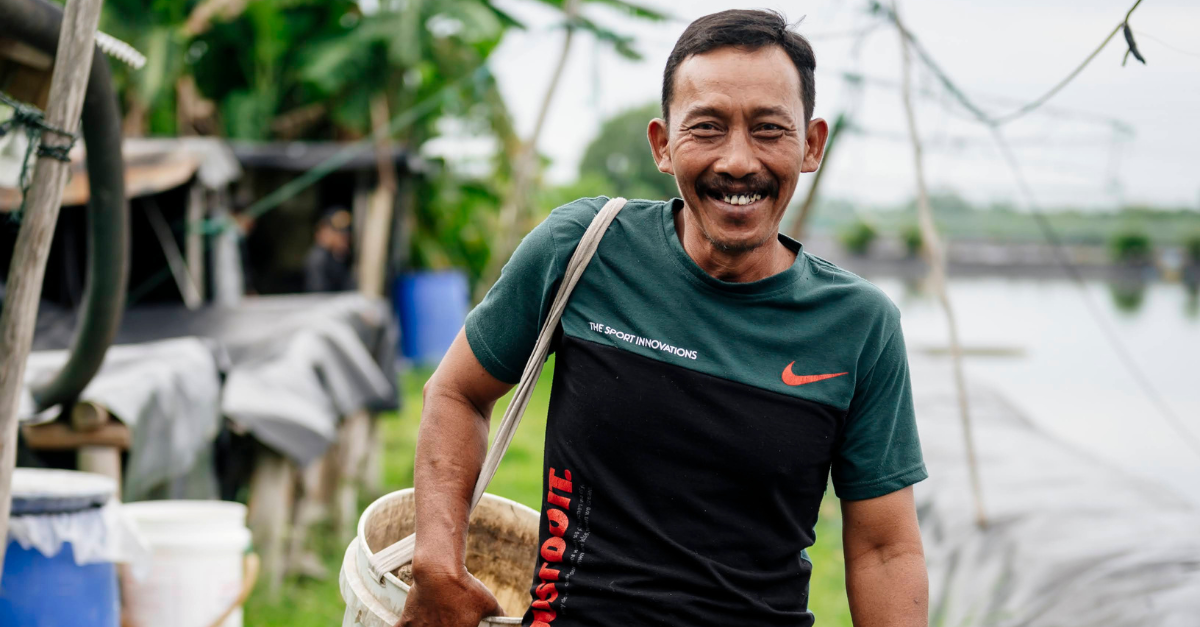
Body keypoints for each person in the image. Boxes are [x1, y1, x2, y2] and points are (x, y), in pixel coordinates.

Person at [401, 9, 928, 627]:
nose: (738, 162)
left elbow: (884, 548)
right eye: (707, 128)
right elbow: (459, 392)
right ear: (662, 144)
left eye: (768, 130)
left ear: (810, 144)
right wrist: (436, 562)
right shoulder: (585, 248)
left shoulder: (860, 325)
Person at [304, 206, 355, 292]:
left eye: (345, 233)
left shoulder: (341, 256)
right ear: (323, 230)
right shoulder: (319, 258)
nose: (344, 237)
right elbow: (319, 294)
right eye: (337, 232)